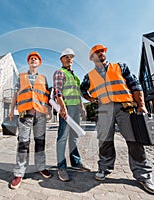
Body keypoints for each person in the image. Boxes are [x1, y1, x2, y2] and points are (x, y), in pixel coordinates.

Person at [80, 44, 154, 195]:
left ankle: (143, 176)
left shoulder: (120, 67)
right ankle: (104, 168)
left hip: (125, 108)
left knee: (134, 141)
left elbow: (135, 85)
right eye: (97, 52)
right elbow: (82, 89)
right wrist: (91, 99)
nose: (101, 53)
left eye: (102, 51)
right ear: (92, 58)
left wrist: (141, 105)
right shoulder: (89, 76)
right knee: (104, 141)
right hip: (104, 110)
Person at [8, 51, 52, 189]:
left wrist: (49, 111)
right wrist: (11, 110)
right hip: (24, 113)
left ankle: (41, 167)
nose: (33, 60)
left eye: (36, 58)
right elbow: (16, 94)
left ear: (39, 63)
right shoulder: (21, 77)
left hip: (40, 115)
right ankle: (19, 173)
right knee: (23, 143)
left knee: (40, 143)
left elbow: (46, 97)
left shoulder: (44, 78)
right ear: (28, 62)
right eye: (31, 58)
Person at [53, 48, 90, 182]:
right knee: (62, 138)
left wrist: (82, 107)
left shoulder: (75, 77)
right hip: (66, 108)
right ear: (62, 59)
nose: (69, 59)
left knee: (73, 137)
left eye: (71, 57)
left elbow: (78, 93)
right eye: (66, 57)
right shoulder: (59, 73)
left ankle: (76, 163)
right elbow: (57, 92)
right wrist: (62, 107)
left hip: (75, 108)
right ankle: (61, 167)